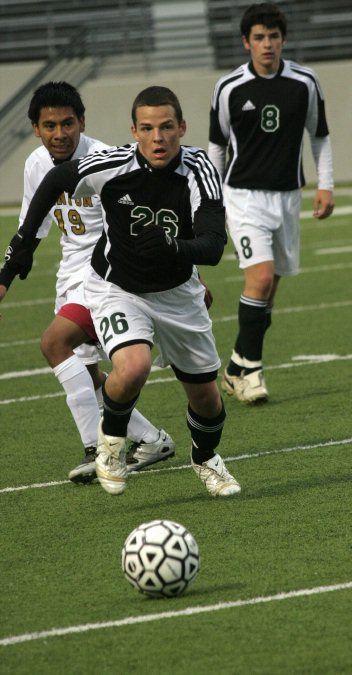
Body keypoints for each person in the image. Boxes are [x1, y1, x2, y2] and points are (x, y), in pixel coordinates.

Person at [3, 85, 241, 498]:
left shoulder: (200, 169)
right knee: (130, 367)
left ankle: (205, 458)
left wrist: (173, 247)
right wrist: (20, 250)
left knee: (206, 399)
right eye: (147, 128)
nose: (158, 137)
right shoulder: (111, 164)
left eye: (167, 127)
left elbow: (214, 244)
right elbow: (55, 180)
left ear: (182, 127)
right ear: (134, 131)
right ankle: (108, 447)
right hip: (117, 288)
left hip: (179, 294)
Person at [0, 81, 175, 484]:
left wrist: (190, 276)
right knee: (85, 370)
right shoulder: (35, 165)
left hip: (108, 274)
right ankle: (151, 439)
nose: (59, 134)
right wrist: (5, 278)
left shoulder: (105, 160)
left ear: (82, 123)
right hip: (70, 272)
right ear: (35, 128)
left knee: (54, 343)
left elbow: (148, 219)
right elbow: (31, 229)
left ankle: (97, 449)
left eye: (67, 124)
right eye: (49, 126)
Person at [208, 2, 335, 403]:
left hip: (287, 198)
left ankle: (235, 368)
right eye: (259, 38)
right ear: (246, 42)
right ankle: (253, 374)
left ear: (283, 40)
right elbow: (216, 148)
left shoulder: (305, 82)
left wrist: (325, 184)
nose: (267, 45)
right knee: (259, 280)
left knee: (269, 290)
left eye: (274, 37)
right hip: (243, 197)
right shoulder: (229, 88)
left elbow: (320, 134)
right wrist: (215, 202)